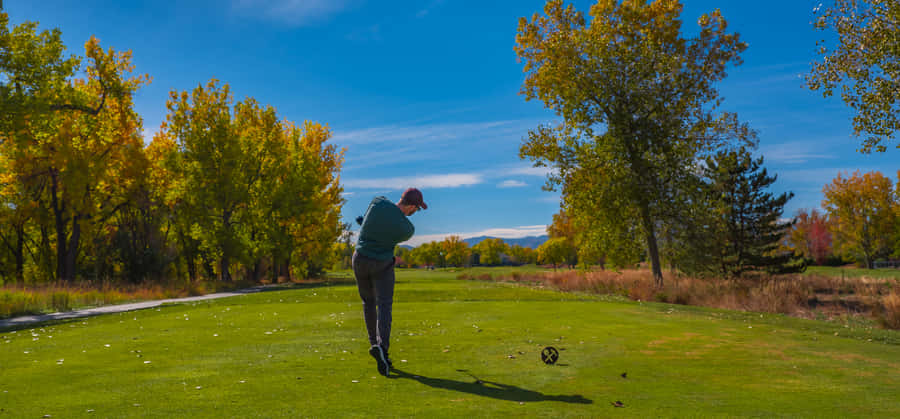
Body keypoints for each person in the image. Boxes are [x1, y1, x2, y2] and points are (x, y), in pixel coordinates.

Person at [353, 187, 427, 376]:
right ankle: (382, 349)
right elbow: (392, 232)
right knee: (384, 305)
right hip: (381, 264)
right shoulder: (407, 229)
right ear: (411, 206)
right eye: (416, 209)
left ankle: (373, 344)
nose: (415, 213)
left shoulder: (378, 202)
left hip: (359, 260)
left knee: (368, 303)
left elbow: (372, 221)